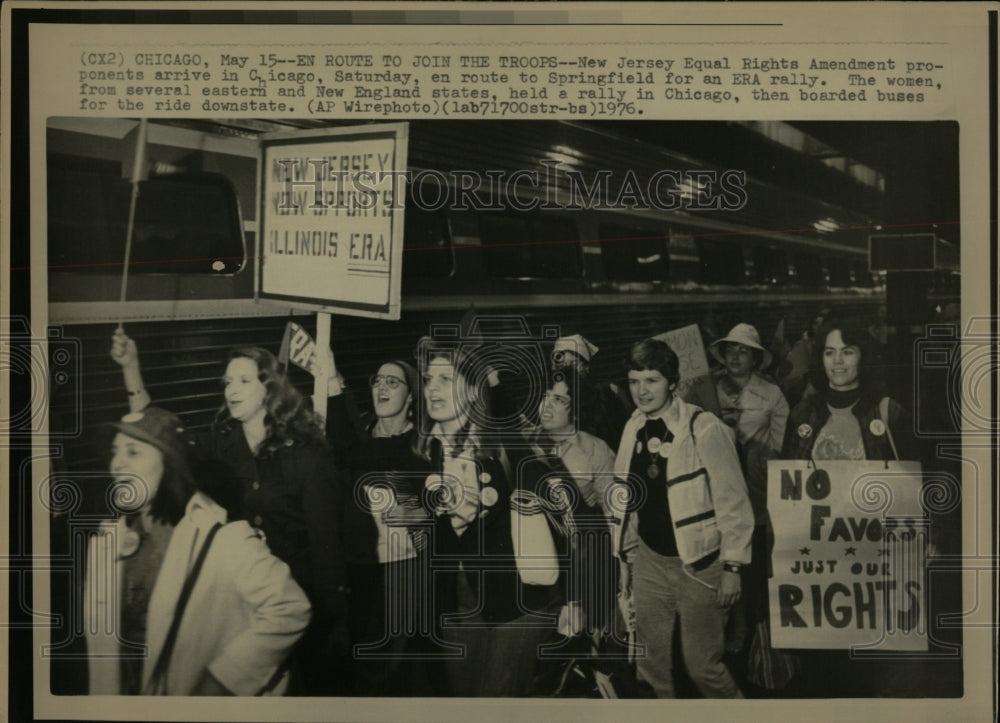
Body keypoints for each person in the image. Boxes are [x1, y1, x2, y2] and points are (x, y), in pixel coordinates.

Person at [110, 330, 348, 695]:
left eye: (243, 380)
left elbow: (326, 550)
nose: (231, 390)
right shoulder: (221, 442)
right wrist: (131, 368)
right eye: (227, 382)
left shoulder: (307, 456)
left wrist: (333, 626)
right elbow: (157, 434)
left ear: (269, 387)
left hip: (295, 604)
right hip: (240, 602)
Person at [84, 407, 311, 695]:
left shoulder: (221, 538)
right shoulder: (107, 543)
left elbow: (290, 607)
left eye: (133, 452)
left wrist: (223, 681)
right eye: (115, 452)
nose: (116, 463)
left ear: (170, 462)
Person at [780, 318, 924, 697]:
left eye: (847, 351)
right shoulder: (802, 416)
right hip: (818, 566)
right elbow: (787, 496)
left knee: (869, 671)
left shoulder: (887, 413)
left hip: (876, 565)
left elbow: (915, 488)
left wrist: (926, 540)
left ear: (864, 357)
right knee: (823, 672)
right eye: (829, 352)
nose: (837, 362)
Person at [415, 340, 565, 697]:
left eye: (445, 379)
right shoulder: (425, 450)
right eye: (428, 379)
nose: (432, 388)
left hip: (516, 601)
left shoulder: (503, 445)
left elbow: (562, 517)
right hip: (458, 603)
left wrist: (575, 598)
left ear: (472, 390)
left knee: (497, 702)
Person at [615, 338, 753, 698]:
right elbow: (628, 500)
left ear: (673, 382)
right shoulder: (632, 427)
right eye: (634, 381)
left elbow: (734, 502)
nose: (641, 391)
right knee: (650, 663)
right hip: (650, 561)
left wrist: (732, 567)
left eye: (652, 381)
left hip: (699, 566)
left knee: (702, 667)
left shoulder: (704, 429)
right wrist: (627, 557)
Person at [313, 348, 437, 696]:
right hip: (357, 562)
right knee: (350, 656)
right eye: (378, 380)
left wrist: (424, 514)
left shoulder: (424, 445)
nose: (382, 387)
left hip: (400, 569)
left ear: (411, 396)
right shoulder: (362, 434)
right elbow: (346, 455)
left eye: (393, 382)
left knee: (383, 667)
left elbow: (445, 505)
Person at [708, 323, 790, 671]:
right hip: (714, 489)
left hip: (756, 489)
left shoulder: (772, 395)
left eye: (743, 351)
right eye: (730, 351)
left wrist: (752, 453)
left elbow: (782, 447)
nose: (735, 357)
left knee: (749, 561)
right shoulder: (707, 390)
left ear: (755, 359)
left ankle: (749, 627)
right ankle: (722, 628)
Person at [535, 366, 619, 647]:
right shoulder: (526, 445)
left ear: (576, 409)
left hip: (579, 566)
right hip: (535, 566)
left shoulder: (595, 450)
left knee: (579, 640)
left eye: (559, 400)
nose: (547, 405)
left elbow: (613, 516)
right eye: (545, 396)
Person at [551, 333, 633, 450]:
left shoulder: (611, 391)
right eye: (562, 367)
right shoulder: (554, 405)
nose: (569, 371)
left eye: (574, 364)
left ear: (586, 367)